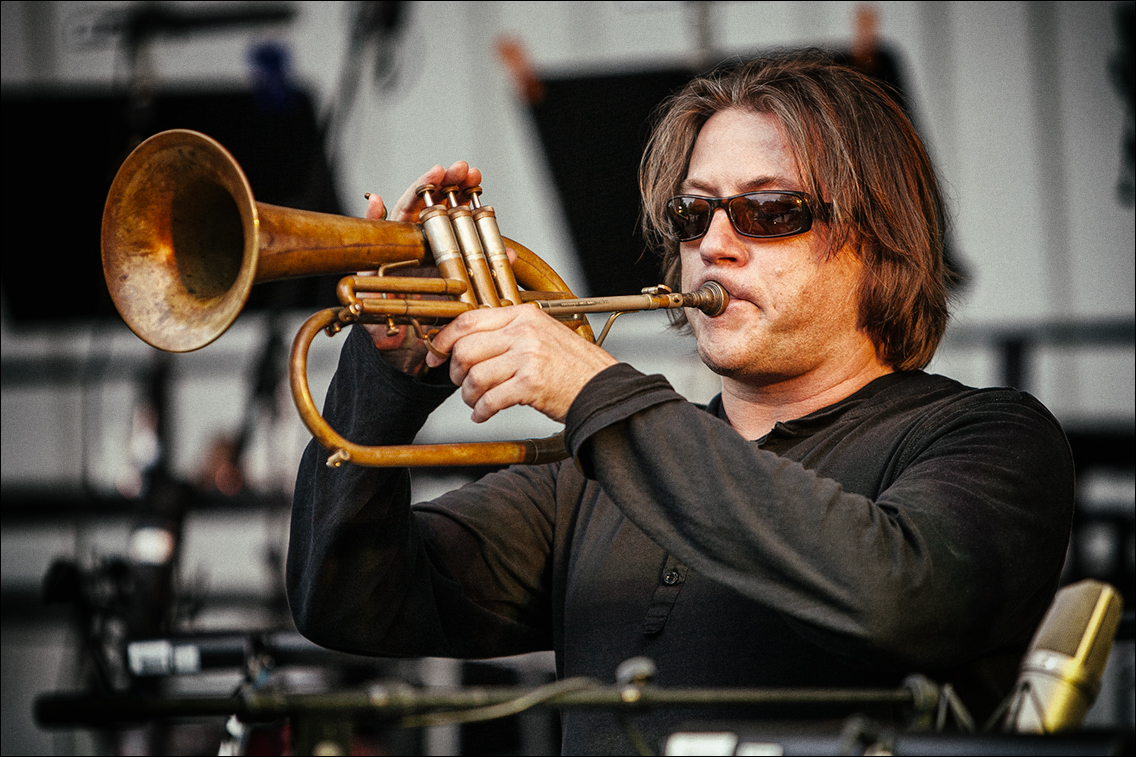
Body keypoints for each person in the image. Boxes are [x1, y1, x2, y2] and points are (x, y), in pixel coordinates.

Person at [287, 50, 1074, 754]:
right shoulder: (591, 474)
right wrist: (385, 374)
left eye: (770, 212)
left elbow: (902, 599)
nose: (715, 244)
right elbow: (349, 602)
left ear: (880, 237)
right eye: (693, 214)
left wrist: (596, 390)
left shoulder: (988, 437)